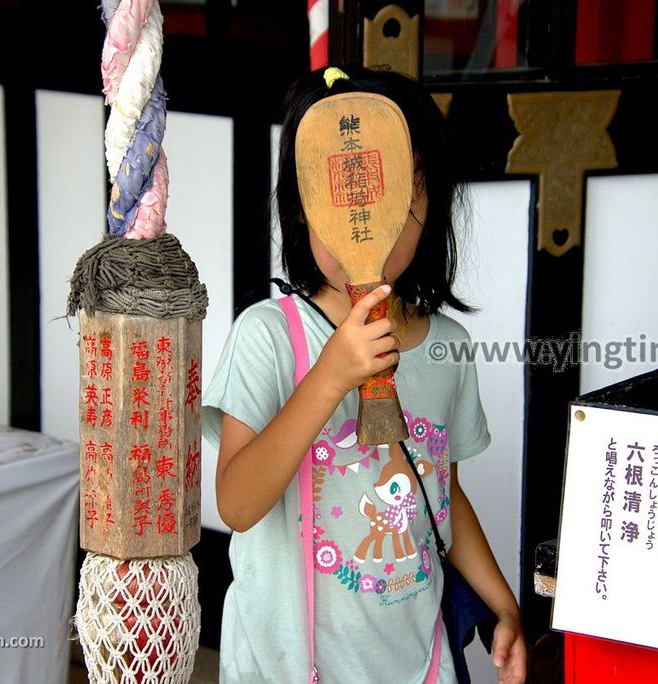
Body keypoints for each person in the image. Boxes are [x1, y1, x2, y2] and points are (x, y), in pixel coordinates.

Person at [202, 65, 526, 684]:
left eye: (401, 192)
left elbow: (439, 491)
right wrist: (330, 377)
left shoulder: (448, 347)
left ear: (430, 205)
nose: (368, 216)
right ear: (300, 209)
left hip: (416, 662)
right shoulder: (268, 337)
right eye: (342, 195)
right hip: (289, 668)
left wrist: (502, 603)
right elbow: (239, 504)